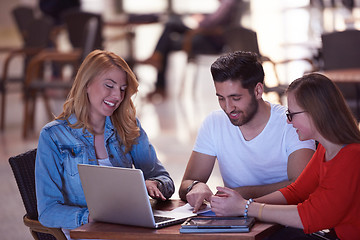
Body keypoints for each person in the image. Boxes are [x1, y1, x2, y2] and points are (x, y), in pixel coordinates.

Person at [35, 50, 175, 235]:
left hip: (128, 233)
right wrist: (90, 217)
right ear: (86, 85)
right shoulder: (53, 136)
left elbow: (166, 180)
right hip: (87, 235)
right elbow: (48, 212)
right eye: (109, 86)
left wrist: (153, 184)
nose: (117, 96)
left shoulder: (128, 126)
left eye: (123, 89)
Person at [210, 73, 360, 239]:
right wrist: (241, 205)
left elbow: (311, 216)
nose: (288, 121)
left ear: (315, 113)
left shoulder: (352, 156)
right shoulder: (325, 149)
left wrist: (245, 207)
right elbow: (296, 192)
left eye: (292, 114)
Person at [179, 51, 316, 212]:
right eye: (221, 98)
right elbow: (186, 183)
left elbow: (302, 186)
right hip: (236, 222)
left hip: (284, 221)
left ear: (258, 91)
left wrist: (243, 194)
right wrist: (196, 187)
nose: (228, 108)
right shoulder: (214, 123)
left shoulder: (291, 123)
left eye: (236, 98)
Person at [139, 0, 241, 98]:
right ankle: (157, 60)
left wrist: (200, 19)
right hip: (203, 35)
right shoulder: (226, 3)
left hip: (208, 40)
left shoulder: (229, 2)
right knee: (172, 23)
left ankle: (158, 69)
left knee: (170, 34)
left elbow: (211, 23)